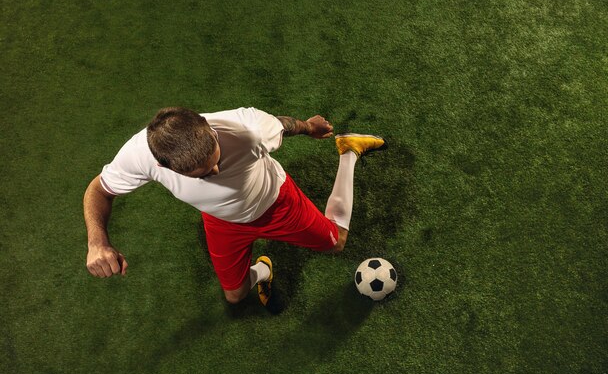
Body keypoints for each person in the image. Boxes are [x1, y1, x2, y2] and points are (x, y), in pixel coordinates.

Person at [83, 107, 387, 308]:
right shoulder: (139, 156)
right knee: (235, 295)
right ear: (164, 167)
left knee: (337, 242)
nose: (215, 173)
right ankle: (264, 271)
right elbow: (98, 189)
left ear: (207, 127)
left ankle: (349, 151)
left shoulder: (248, 129)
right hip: (222, 222)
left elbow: (282, 125)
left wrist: (309, 126)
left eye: (216, 160)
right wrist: (97, 242)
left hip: (276, 202)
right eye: (203, 174)